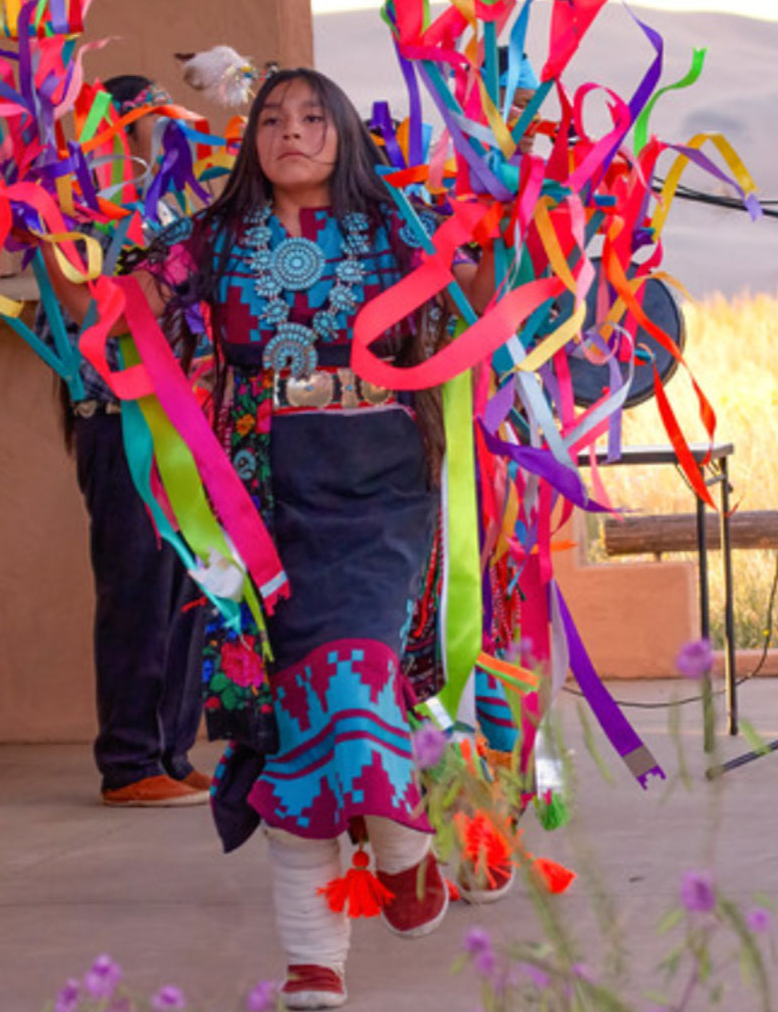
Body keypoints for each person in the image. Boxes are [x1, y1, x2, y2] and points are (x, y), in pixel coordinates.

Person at [107, 68, 493, 1008]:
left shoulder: (394, 223)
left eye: (313, 117)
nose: (291, 132)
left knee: (354, 668)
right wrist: (69, 248)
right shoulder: (212, 234)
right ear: (252, 140)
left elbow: (475, 302)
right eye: (273, 119)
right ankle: (314, 962)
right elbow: (122, 312)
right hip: (260, 491)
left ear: (344, 133)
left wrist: (518, 225)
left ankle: (400, 850)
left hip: (380, 473)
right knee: (286, 713)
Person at [35, 74, 210, 807]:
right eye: (144, 121)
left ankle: (172, 746)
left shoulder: (171, 204)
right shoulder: (72, 209)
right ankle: (131, 757)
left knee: (191, 588)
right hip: (120, 421)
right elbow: (82, 305)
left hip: (187, 420)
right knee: (137, 585)